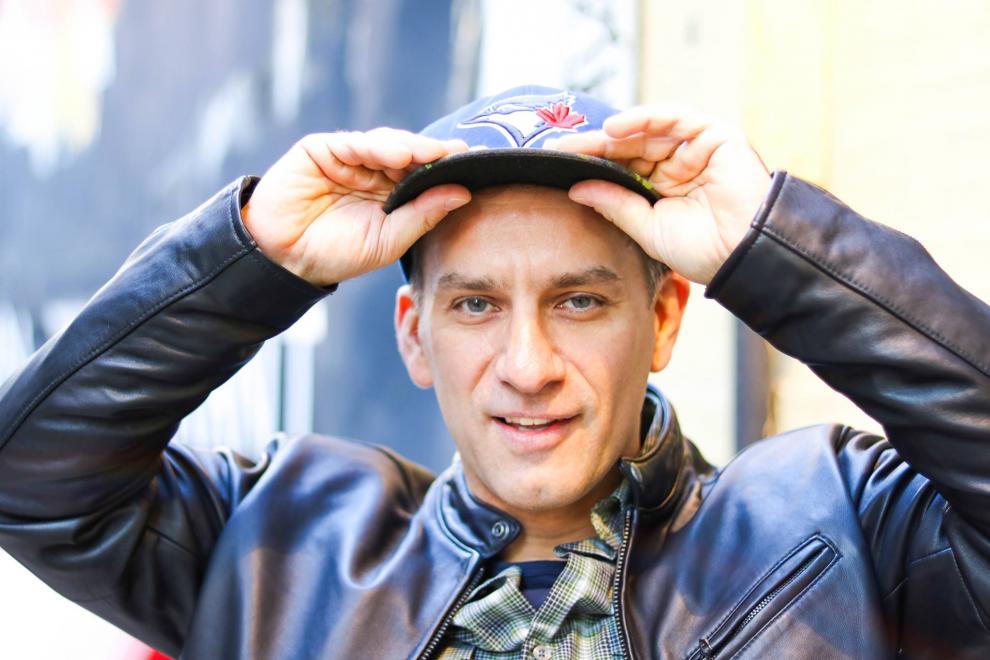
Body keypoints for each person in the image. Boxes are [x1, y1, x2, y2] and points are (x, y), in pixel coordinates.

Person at [0, 84, 988, 659]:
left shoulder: (835, 520)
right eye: (475, 305)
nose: (527, 367)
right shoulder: (276, 540)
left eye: (579, 301)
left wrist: (774, 245)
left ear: (662, 319)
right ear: (414, 336)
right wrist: (257, 252)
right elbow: (33, 480)